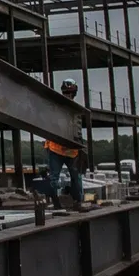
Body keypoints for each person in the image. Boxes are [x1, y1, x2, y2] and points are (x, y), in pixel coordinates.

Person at [42, 78, 85, 209]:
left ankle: (76, 201)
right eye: (67, 93)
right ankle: (57, 202)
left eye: (69, 93)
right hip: (57, 149)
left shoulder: (73, 110)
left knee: (75, 177)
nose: (68, 96)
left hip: (69, 151)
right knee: (56, 178)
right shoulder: (59, 108)